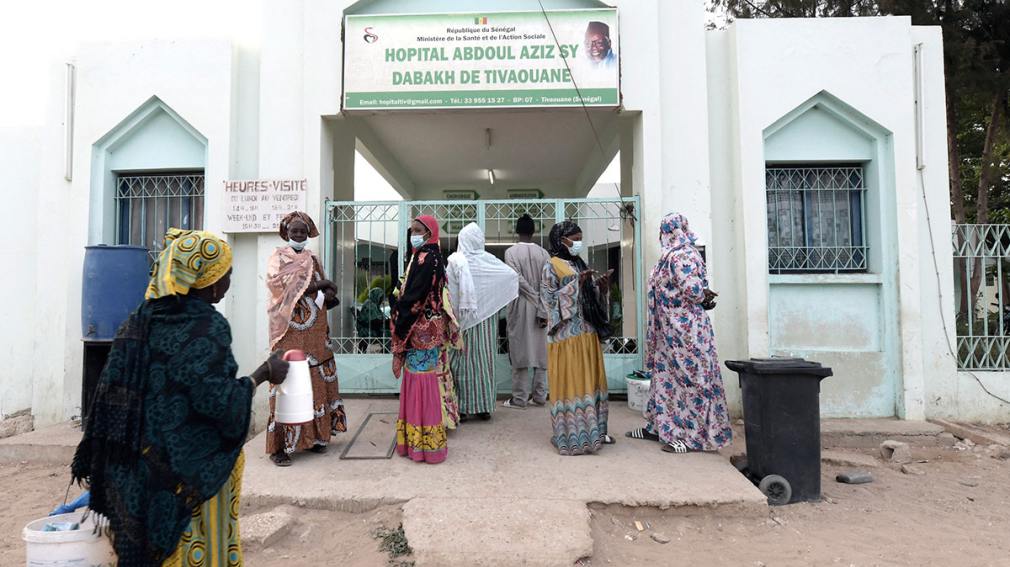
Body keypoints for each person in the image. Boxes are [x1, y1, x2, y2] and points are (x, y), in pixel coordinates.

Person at [72, 229, 288, 566]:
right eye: (226, 273)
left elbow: (109, 400)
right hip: (187, 479)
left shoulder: (136, 322)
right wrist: (264, 373)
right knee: (194, 550)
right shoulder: (207, 326)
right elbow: (218, 403)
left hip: (135, 476)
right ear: (210, 282)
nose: (229, 279)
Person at [626, 213, 733, 453]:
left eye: (663, 231)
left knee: (691, 381)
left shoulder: (683, 255)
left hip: (687, 335)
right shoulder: (670, 256)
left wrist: (702, 295)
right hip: (669, 333)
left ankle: (693, 437)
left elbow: (694, 291)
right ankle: (658, 427)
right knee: (664, 380)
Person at [265, 211, 347, 467]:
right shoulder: (278, 258)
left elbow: (326, 290)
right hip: (289, 331)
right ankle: (281, 447)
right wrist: (321, 284)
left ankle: (314, 438)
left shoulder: (313, 259)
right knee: (289, 382)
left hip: (315, 332)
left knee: (315, 380)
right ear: (287, 232)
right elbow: (280, 287)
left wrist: (330, 289)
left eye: (303, 231)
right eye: (295, 231)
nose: (299, 235)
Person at [390, 215, 462, 463]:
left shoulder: (428, 258)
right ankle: (418, 443)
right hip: (422, 331)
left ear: (430, 232)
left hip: (422, 330)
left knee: (422, 382)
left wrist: (399, 317)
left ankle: (425, 445)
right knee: (418, 380)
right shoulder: (418, 257)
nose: (414, 234)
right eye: (412, 230)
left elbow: (416, 297)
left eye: (419, 230)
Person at [541, 221, 615, 455]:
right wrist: (575, 286)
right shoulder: (551, 266)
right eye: (574, 238)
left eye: (580, 238)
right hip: (566, 338)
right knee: (572, 383)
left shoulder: (579, 263)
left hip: (587, 335)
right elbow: (548, 300)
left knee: (591, 383)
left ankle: (595, 433)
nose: (577, 243)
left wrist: (600, 288)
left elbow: (590, 299)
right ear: (560, 240)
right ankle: (571, 436)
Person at [446, 223, 518, 421]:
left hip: (461, 320)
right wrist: (491, 300)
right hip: (486, 320)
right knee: (484, 363)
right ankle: (484, 406)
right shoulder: (489, 261)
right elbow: (511, 276)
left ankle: (462, 408)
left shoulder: (455, 260)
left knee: (461, 363)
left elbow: (449, 290)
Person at [503, 214, 551, 409]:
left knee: (520, 350)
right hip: (542, 305)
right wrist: (540, 301)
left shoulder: (511, 253)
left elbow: (516, 279)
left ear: (517, 230)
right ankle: (540, 397)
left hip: (521, 304)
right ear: (534, 231)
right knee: (541, 353)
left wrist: (532, 296)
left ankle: (520, 399)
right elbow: (548, 282)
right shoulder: (544, 253)